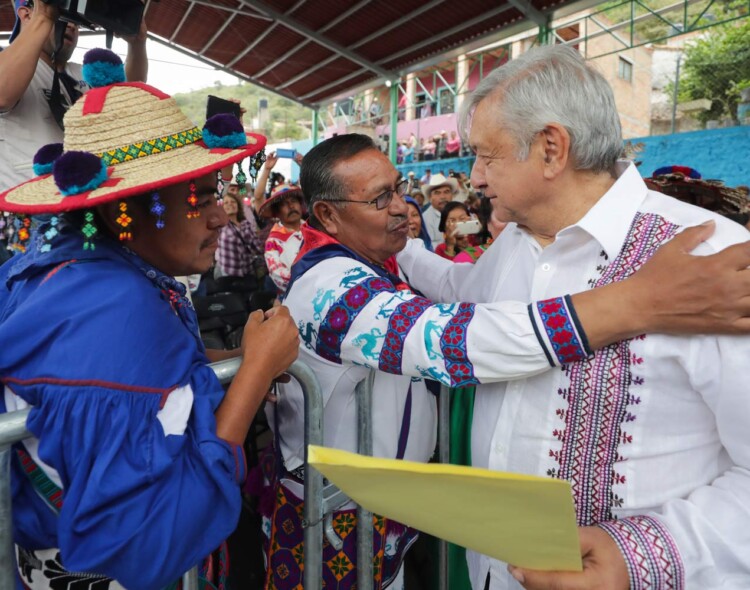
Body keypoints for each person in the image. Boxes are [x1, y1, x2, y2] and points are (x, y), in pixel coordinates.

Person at [260, 133, 750, 590]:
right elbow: (448, 341)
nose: (401, 210)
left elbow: (456, 285)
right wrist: (637, 302)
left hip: (381, 510)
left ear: (554, 148)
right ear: (326, 214)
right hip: (329, 515)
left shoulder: (385, 255)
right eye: (379, 199)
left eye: (398, 189)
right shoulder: (322, 288)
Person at [397, 45, 750, 590]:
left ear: (550, 149)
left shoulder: (710, 259)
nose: (476, 177)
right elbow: (456, 290)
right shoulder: (513, 244)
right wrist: (393, 246)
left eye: (487, 157)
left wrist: (640, 555)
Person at [0, 49, 299, 589]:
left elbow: (154, 377)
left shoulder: (88, 270)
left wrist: (239, 359)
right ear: (126, 207)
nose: (219, 215)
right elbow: (148, 540)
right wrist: (253, 377)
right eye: (199, 197)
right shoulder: (114, 310)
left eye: (220, 194)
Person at [0, 0, 148, 191]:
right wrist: (44, 15)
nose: (71, 25)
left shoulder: (83, 74)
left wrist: (137, 45)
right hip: (29, 207)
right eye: (63, 16)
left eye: (75, 21)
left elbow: (128, 99)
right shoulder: (9, 65)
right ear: (27, 15)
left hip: (85, 200)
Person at [259, 182, 305, 295]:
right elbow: (277, 274)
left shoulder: (315, 230)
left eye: (293, 201)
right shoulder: (273, 241)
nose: (291, 206)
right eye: (284, 204)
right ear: (277, 213)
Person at [216, 189, 267, 281]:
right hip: (228, 275)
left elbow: (257, 246)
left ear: (238, 206)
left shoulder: (245, 224)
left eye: (233, 202)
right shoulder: (219, 226)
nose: (230, 204)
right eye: (226, 203)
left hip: (247, 272)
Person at [422, 173, 458, 246]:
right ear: (430, 198)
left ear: (452, 195)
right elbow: (429, 247)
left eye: (446, 192)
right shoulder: (425, 218)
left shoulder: (459, 211)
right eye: (437, 193)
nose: (443, 197)